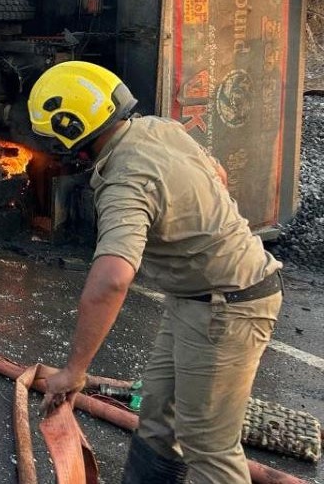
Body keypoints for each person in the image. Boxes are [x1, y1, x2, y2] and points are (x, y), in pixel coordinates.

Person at [30, 61, 282, 483]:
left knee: (209, 447)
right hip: (196, 298)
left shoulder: (124, 181)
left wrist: (74, 371)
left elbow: (112, 279)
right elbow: (218, 174)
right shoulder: (159, 129)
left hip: (228, 307)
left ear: (70, 129)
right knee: (159, 419)